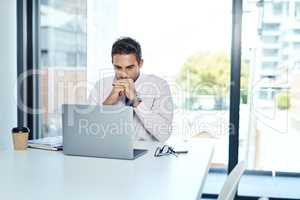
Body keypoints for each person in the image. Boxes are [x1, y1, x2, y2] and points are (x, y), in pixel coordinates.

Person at [88, 37, 173, 143]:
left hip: (148, 154)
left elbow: (164, 134)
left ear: (140, 63)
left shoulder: (159, 85)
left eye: (129, 67)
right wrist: (108, 102)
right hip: (108, 150)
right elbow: (88, 130)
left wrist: (136, 101)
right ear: (112, 63)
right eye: (118, 67)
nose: (123, 74)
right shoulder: (100, 85)